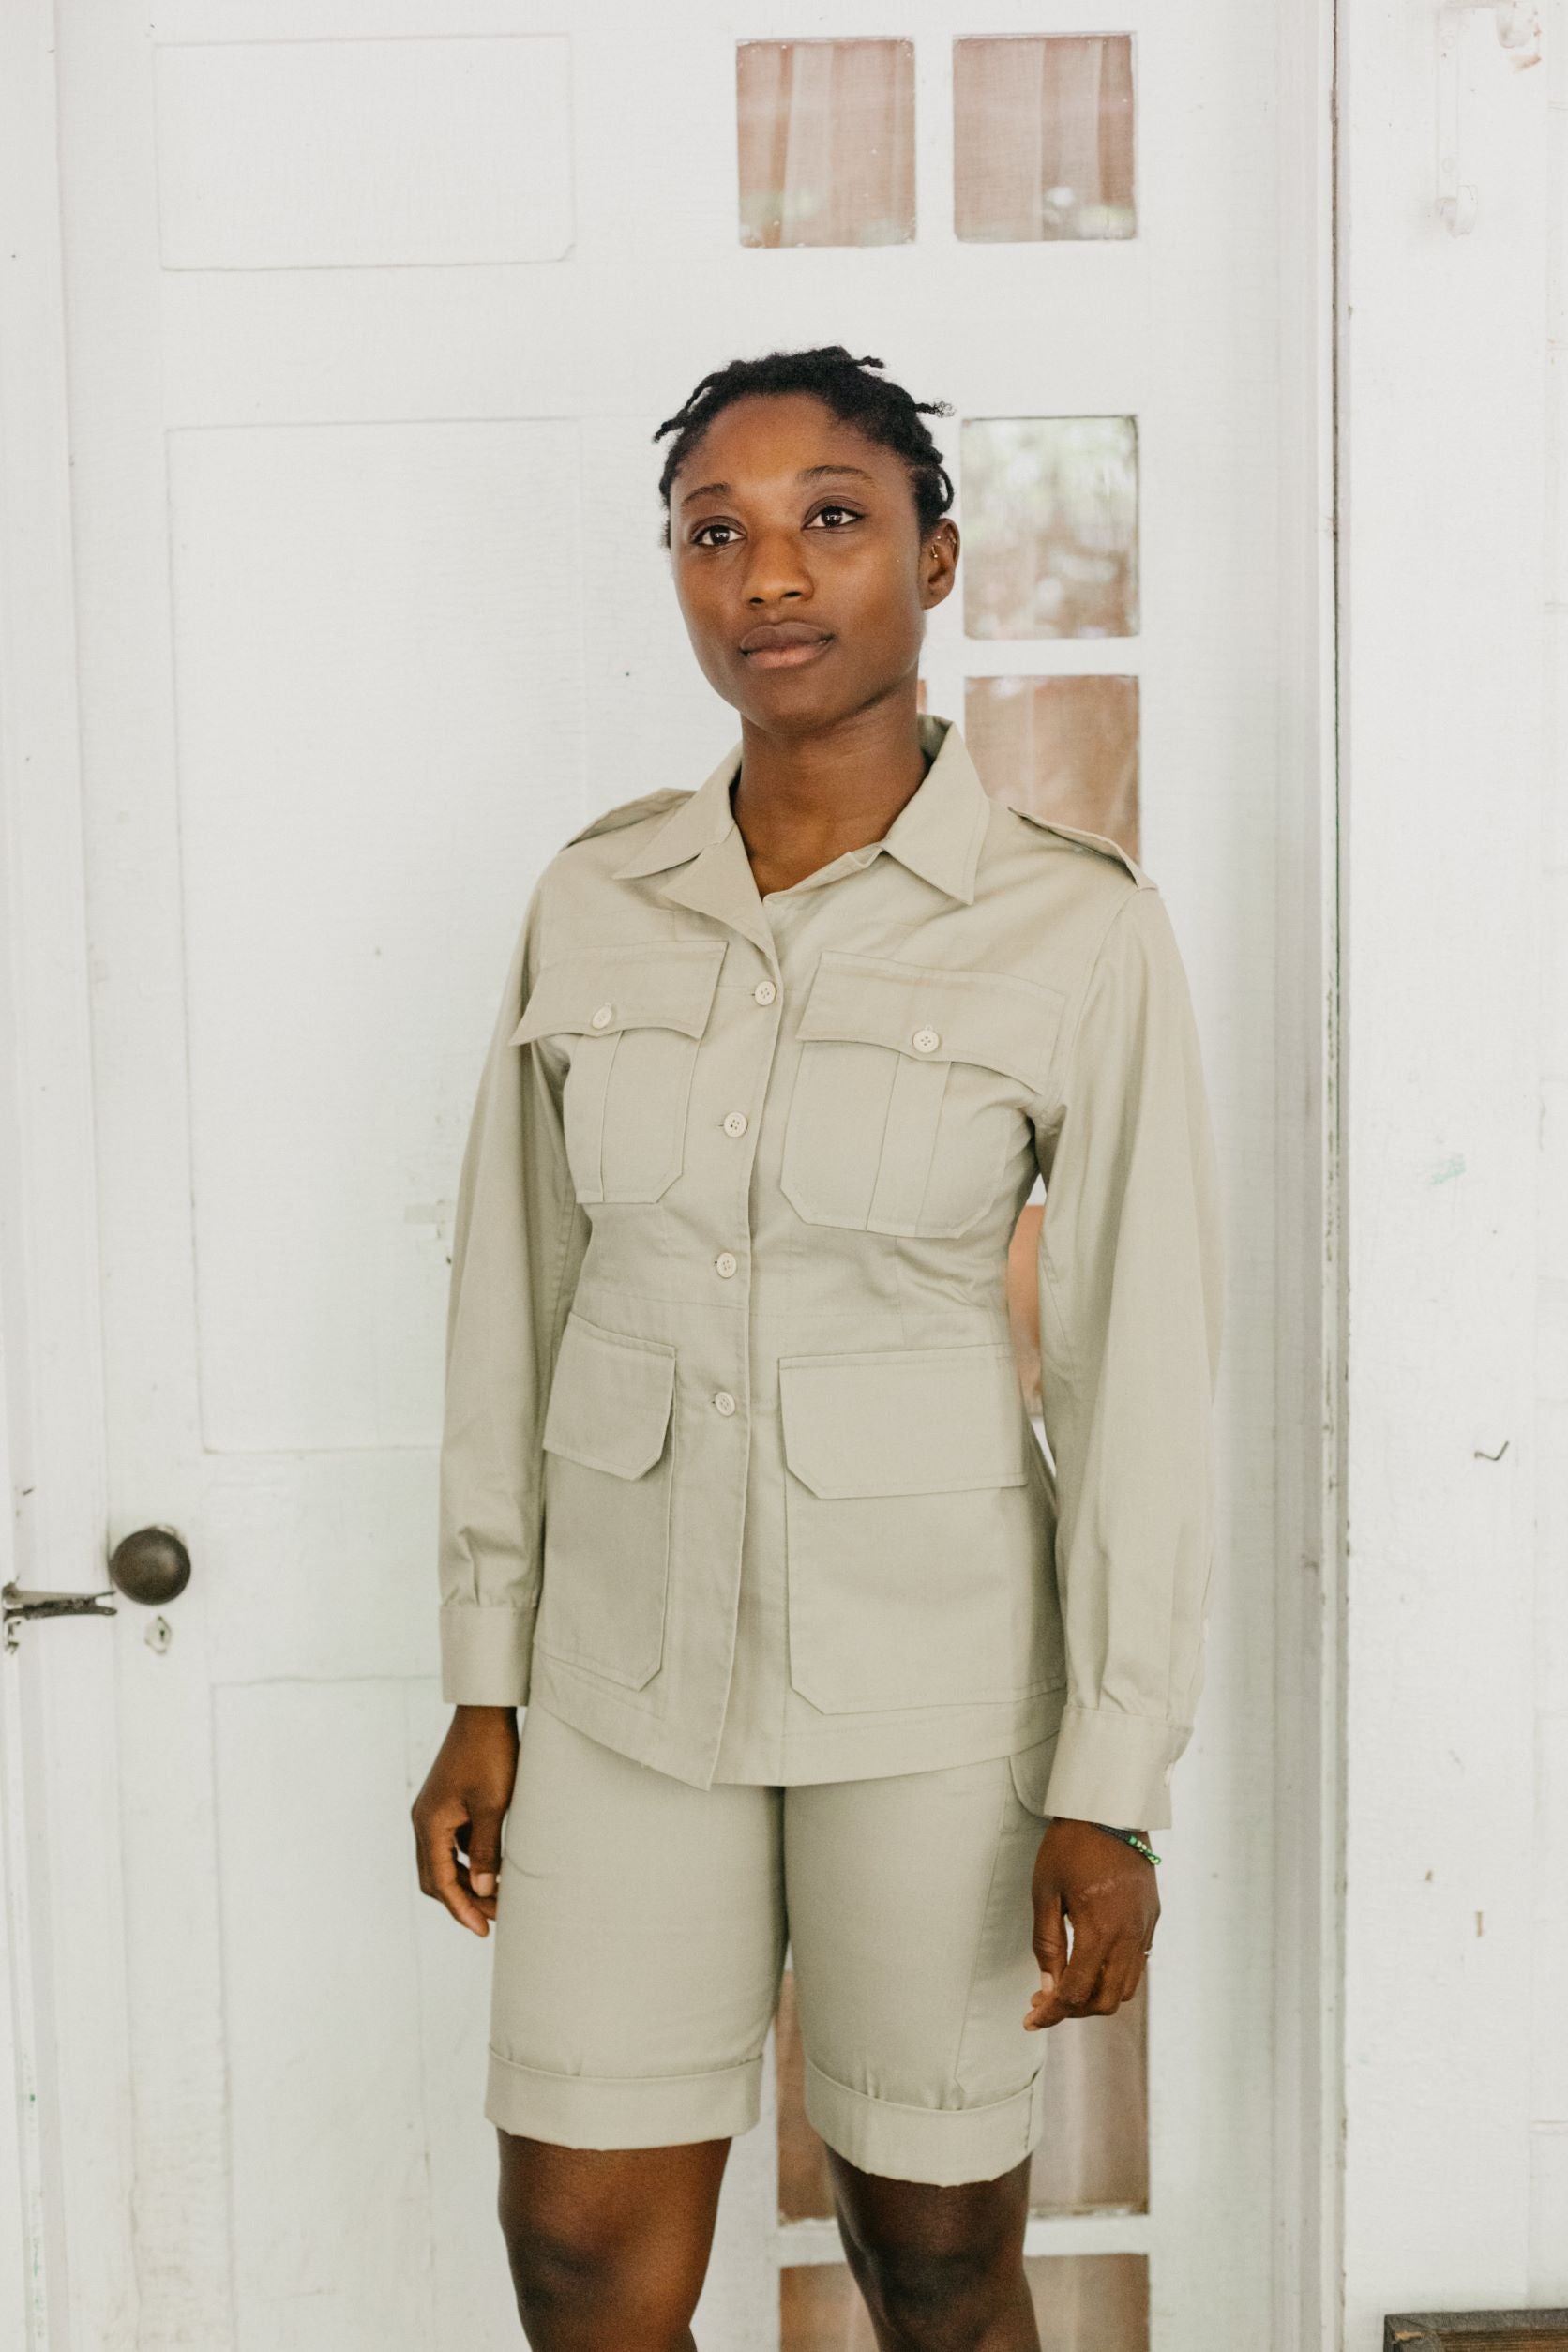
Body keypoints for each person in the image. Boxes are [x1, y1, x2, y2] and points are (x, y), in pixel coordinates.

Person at [411, 344, 1224, 2351]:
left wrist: (1109, 1779)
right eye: (717, 533)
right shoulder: (595, 898)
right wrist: (480, 1681)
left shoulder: (1074, 933)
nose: (767, 575)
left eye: (828, 521)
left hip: (938, 1696)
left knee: (932, 2256)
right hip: (617, 1686)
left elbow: (1139, 1369)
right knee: (579, 2252)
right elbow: (509, 1301)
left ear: (933, 561)